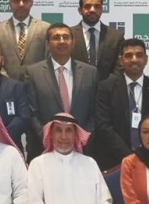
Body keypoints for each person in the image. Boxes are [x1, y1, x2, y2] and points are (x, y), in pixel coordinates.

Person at [92, 38, 149, 170]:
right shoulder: (105, 87)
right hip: (114, 160)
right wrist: (129, 156)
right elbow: (103, 126)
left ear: (146, 59)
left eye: (139, 55)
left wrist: (146, 154)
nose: (134, 59)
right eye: (128, 56)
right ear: (121, 60)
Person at [24, 22, 98, 160]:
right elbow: (32, 113)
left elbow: (94, 112)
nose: (62, 41)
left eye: (66, 37)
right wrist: (50, 138)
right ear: (47, 44)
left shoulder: (90, 72)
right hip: (44, 150)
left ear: (73, 42)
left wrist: (81, 137)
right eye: (56, 37)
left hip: (82, 149)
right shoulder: (33, 72)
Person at [0, 0, 49, 81]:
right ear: (10, 3)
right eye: (16, 1)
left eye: (25, 0)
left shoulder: (45, 28)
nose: (21, 4)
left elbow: (48, 59)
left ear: (31, 3)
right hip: (7, 87)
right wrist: (7, 81)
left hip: (37, 85)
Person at [69, 0, 123, 80]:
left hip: (107, 90)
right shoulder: (69, 34)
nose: (92, 10)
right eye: (87, 6)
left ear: (102, 9)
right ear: (80, 10)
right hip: (76, 89)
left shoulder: (116, 36)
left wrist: (106, 85)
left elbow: (120, 66)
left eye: (97, 6)